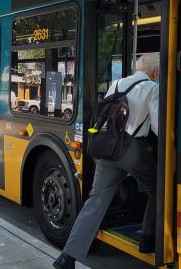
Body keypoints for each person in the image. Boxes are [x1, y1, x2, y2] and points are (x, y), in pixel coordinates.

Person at [54, 53, 160, 269]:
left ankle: (67, 257)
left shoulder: (118, 83)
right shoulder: (152, 88)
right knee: (158, 186)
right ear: (155, 72)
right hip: (131, 151)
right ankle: (148, 238)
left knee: (95, 201)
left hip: (107, 148)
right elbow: (158, 127)